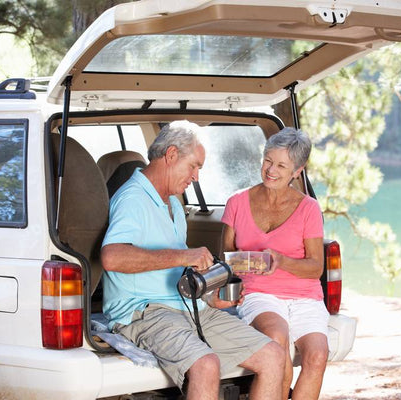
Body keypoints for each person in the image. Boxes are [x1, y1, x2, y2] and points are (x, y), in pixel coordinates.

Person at [100, 120, 284, 400]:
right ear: (171, 155)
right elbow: (111, 257)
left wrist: (211, 299)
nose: (196, 177)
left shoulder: (173, 202)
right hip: (144, 311)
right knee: (205, 365)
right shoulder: (132, 199)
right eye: (194, 166)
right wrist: (185, 255)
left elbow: (176, 274)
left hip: (187, 307)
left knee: (273, 356)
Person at [221, 127, 329, 400]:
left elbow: (316, 266)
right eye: (268, 160)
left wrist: (281, 261)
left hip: (305, 297)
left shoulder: (309, 209)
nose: (271, 169)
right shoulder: (236, 202)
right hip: (259, 293)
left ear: (297, 171)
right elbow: (225, 258)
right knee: (277, 337)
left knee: (317, 354)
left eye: (281, 165)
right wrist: (250, 263)